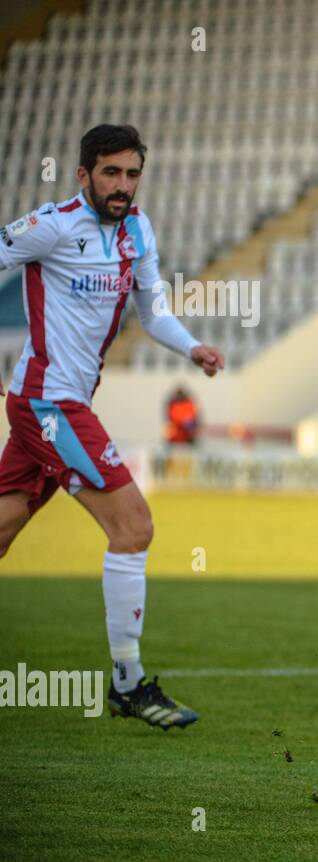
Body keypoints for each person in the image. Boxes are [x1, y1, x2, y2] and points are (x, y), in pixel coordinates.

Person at [0, 124, 225, 729]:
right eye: (110, 173)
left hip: (54, 404)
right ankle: (128, 685)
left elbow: (151, 311)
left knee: (5, 525)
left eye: (131, 173)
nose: (123, 186)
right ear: (83, 175)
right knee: (134, 525)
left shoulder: (137, 231)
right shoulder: (50, 225)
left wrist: (191, 348)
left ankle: (127, 685)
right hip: (50, 406)